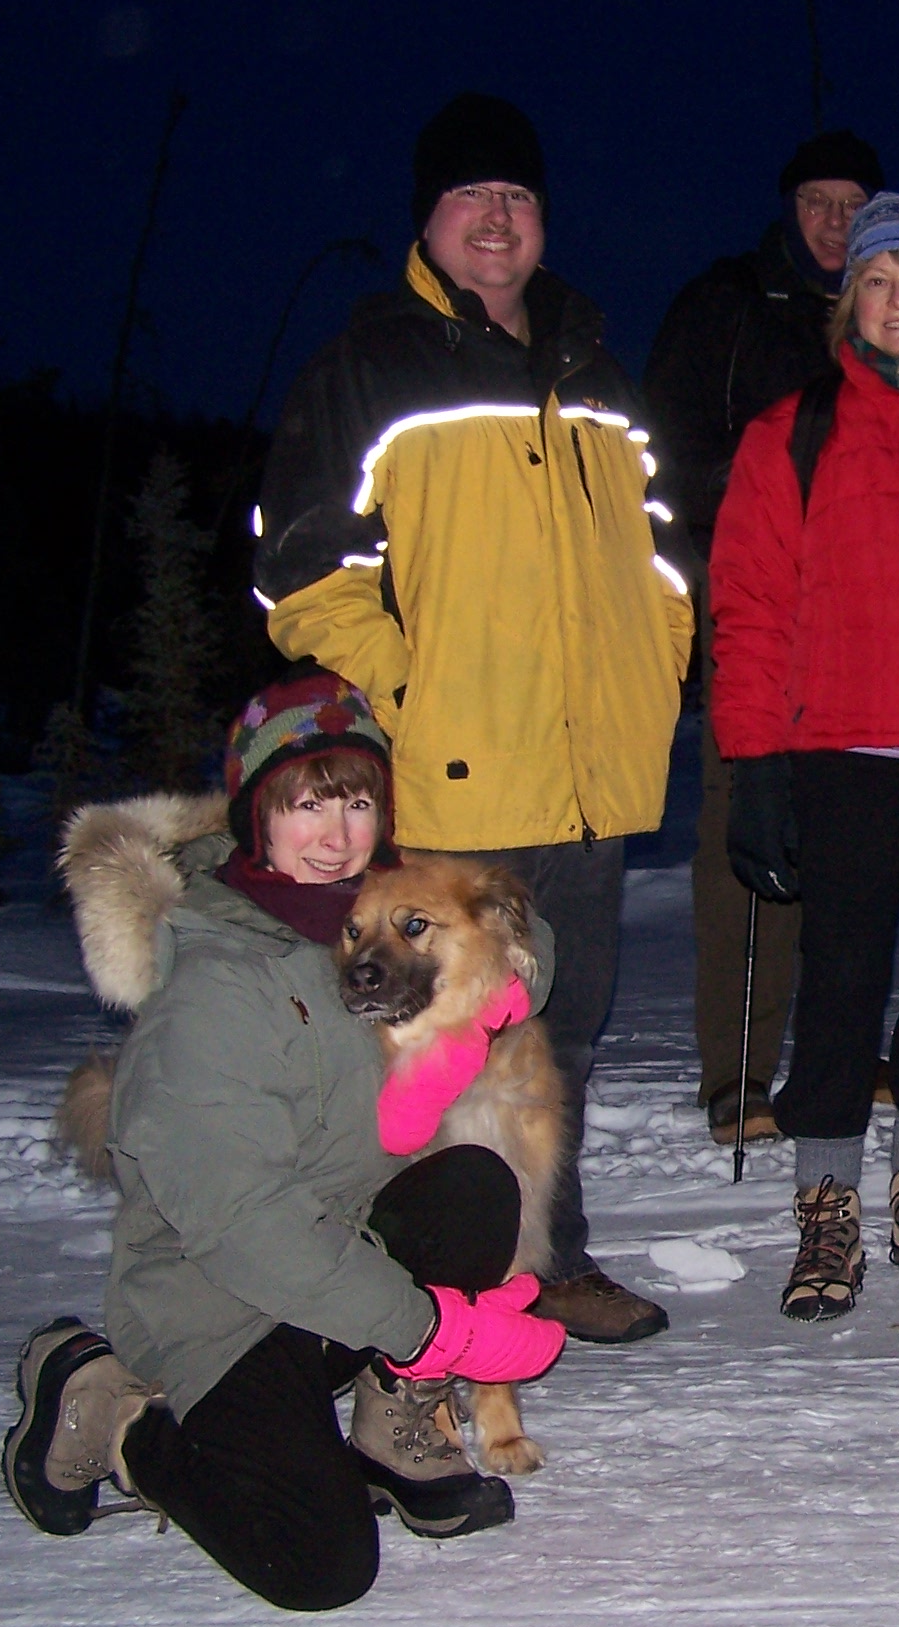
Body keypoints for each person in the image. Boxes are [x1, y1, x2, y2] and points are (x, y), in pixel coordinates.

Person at [254, 92, 693, 1345]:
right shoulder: (368, 367)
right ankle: (404, 1291)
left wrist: (653, 675)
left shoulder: (593, 374)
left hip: (586, 782)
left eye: (516, 197)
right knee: (428, 1052)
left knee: (561, 1043)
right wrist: (409, 688)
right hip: (452, 789)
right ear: (427, 218)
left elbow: (662, 561)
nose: (496, 218)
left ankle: (546, 1262)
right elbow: (299, 574)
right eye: (470, 196)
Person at [2, 672, 567, 1611]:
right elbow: (248, 1227)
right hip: (224, 1299)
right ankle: (110, 1413)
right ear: (257, 815)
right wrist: (431, 1327)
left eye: (358, 802)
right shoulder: (216, 985)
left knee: (473, 1182)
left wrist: (507, 979)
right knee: (319, 1566)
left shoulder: (363, 909)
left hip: (341, 1252)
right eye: (308, 804)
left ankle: (393, 1421)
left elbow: (502, 919)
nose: (337, 833)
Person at [710, 192, 899, 1321]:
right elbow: (748, 602)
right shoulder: (789, 431)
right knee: (838, 981)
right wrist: (756, 763)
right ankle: (826, 1199)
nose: (898, 300)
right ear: (850, 302)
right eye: (877, 280)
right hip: (836, 748)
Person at [643, 129, 888, 1146]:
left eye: (852, 204)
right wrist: (760, 504)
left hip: (868, 607)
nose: (834, 221)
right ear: (790, 208)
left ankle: (841, 1044)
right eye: (817, 201)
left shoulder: (888, 305)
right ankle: (737, 1069)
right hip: (752, 591)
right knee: (746, 819)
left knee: (857, 826)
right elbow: (662, 448)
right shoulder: (729, 303)